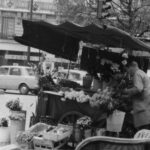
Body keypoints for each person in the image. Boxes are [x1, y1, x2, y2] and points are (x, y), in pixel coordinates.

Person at [123, 61, 150, 130]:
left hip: (142, 111)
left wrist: (126, 91)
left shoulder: (137, 74)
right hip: (146, 108)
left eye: (128, 69)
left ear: (131, 67)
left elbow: (138, 88)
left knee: (143, 136)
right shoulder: (142, 73)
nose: (128, 72)